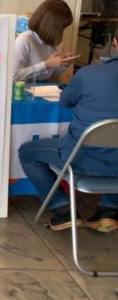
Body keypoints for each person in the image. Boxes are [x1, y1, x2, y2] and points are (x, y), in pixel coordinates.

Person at [19, 29, 118, 233]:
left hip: (80, 160)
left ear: (115, 42)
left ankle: (63, 208)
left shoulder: (90, 74)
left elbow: (65, 102)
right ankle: (109, 209)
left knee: (26, 152)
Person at [13, 0, 78, 82]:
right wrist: (46, 64)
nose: (60, 32)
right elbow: (14, 76)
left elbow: (51, 74)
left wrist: (65, 64)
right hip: (25, 87)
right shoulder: (24, 39)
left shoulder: (56, 41)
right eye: (60, 28)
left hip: (45, 86)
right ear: (49, 26)